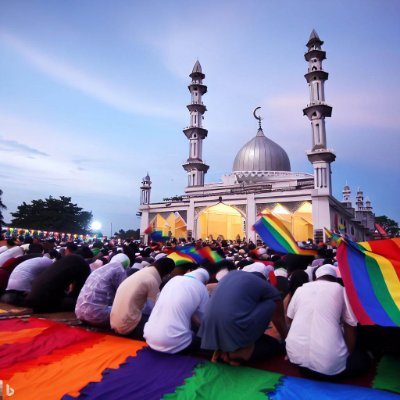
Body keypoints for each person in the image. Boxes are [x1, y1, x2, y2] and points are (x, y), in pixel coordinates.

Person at [285, 264, 369, 380]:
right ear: (334, 278)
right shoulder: (341, 290)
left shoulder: (301, 289)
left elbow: (289, 317)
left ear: (316, 277)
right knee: (362, 359)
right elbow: (350, 325)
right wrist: (348, 355)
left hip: (295, 358)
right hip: (329, 367)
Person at [199, 268, 287, 365]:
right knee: (272, 303)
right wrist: (285, 339)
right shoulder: (264, 286)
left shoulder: (231, 276)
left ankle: (223, 349)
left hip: (207, 328)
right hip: (233, 328)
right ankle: (238, 353)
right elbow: (278, 316)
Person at [144, 268, 209, 354]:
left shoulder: (173, 280)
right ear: (205, 282)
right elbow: (203, 320)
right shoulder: (201, 287)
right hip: (177, 343)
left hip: (149, 336)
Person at [110, 257, 175, 339]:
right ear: (166, 272)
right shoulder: (151, 279)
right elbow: (155, 309)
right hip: (128, 326)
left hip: (114, 322)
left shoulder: (142, 273)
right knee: (165, 329)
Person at [75, 255, 130, 327]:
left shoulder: (99, 269)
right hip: (97, 315)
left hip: (79, 311)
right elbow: (124, 293)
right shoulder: (119, 270)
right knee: (129, 312)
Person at [26, 254, 90, 312]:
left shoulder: (68, 261)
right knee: (82, 306)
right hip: (42, 301)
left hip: (33, 296)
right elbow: (78, 293)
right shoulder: (83, 267)